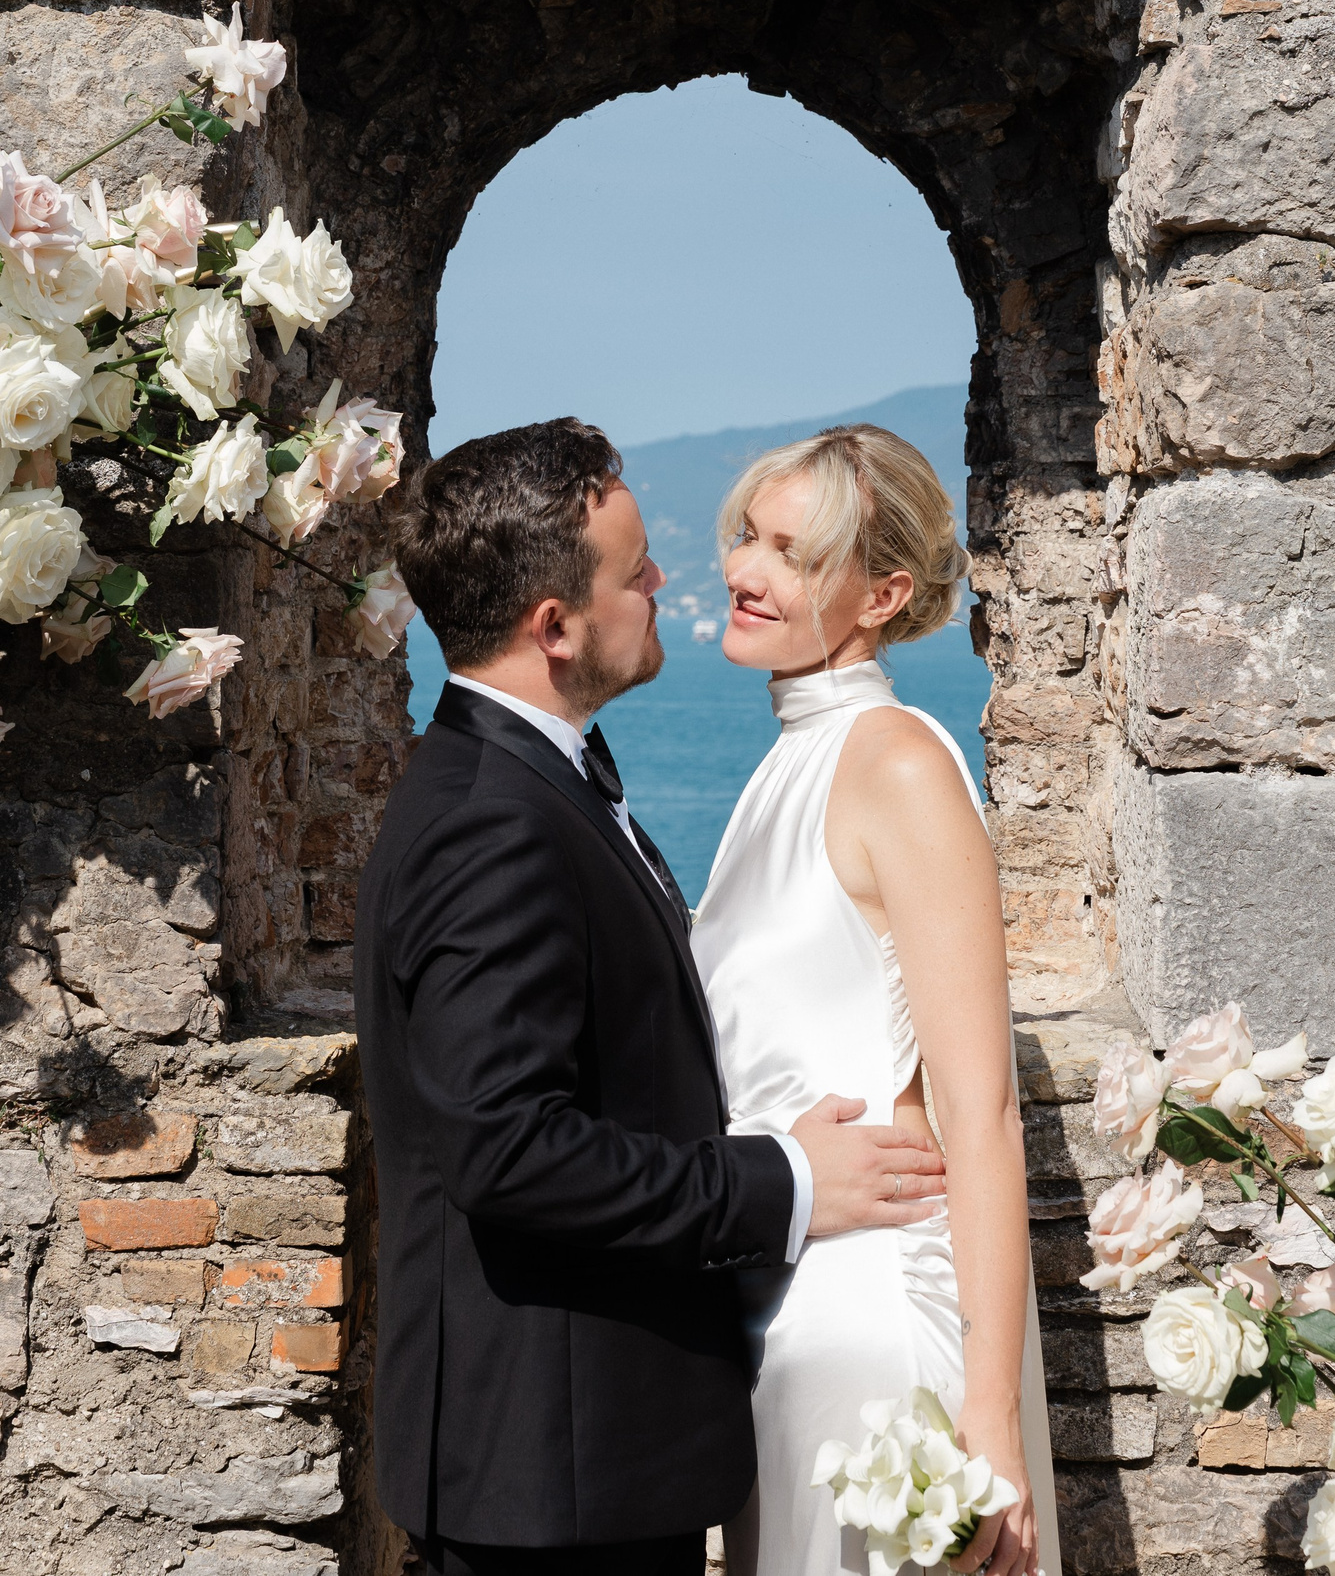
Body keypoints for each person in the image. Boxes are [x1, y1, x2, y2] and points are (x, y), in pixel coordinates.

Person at [354, 417, 951, 1576]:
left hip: (579, 1464)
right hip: (556, 1478)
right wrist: (779, 1179)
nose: (669, 582)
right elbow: (510, 1153)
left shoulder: (535, 779)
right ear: (555, 625)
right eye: (636, 574)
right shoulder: (494, 822)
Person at [698, 424, 1061, 1576]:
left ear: (882, 593)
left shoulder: (895, 761)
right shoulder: (786, 765)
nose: (745, 572)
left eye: (792, 555)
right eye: (748, 538)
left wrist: (988, 1421)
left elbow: (981, 1111)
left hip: (874, 1332)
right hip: (786, 1311)